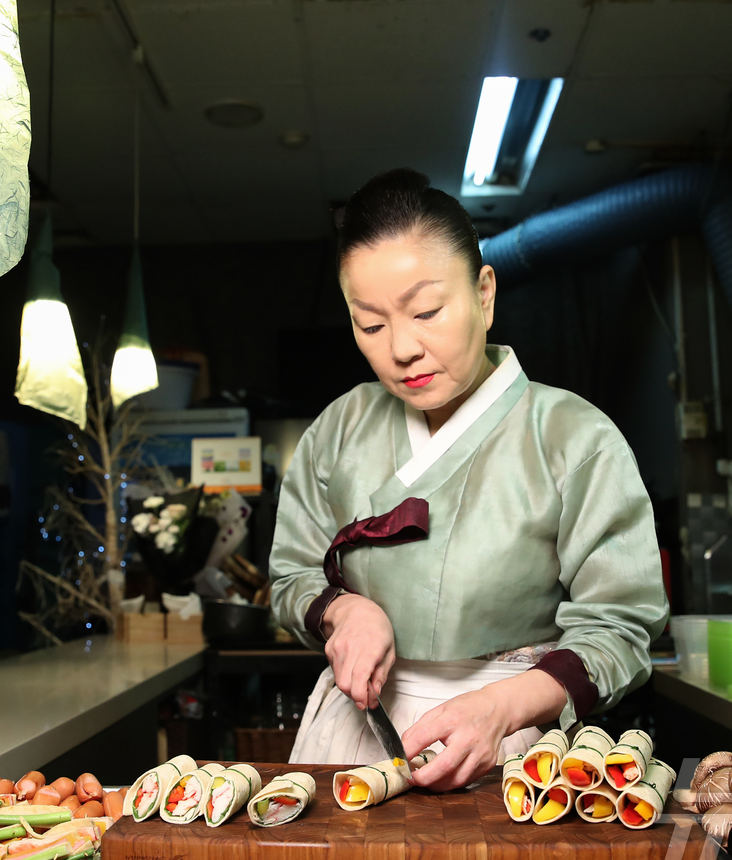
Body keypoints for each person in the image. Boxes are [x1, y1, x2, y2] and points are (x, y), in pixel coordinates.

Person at [269, 169, 668, 791]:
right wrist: (343, 613)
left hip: (512, 738)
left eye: (427, 311)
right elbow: (291, 575)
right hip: (355, 732)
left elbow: (620, 628)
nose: (401, 348)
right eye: (370, 325)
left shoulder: (573, 436)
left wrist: (503, 708)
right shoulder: (338, 431)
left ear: (484, 294)